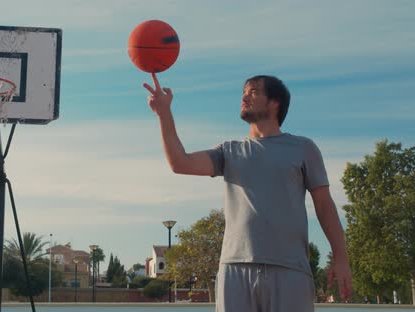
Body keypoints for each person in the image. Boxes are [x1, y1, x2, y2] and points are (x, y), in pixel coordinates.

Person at [143, 73, 352, 312]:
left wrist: (341, 258)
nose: (244, 97)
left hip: (290, 270)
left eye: (253, 92)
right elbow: (180, 163)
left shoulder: (303, 148)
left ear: (275, 103)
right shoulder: (229, 151)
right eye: (243, 92)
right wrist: (164, 113)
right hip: (235, 269)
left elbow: (324, 205)